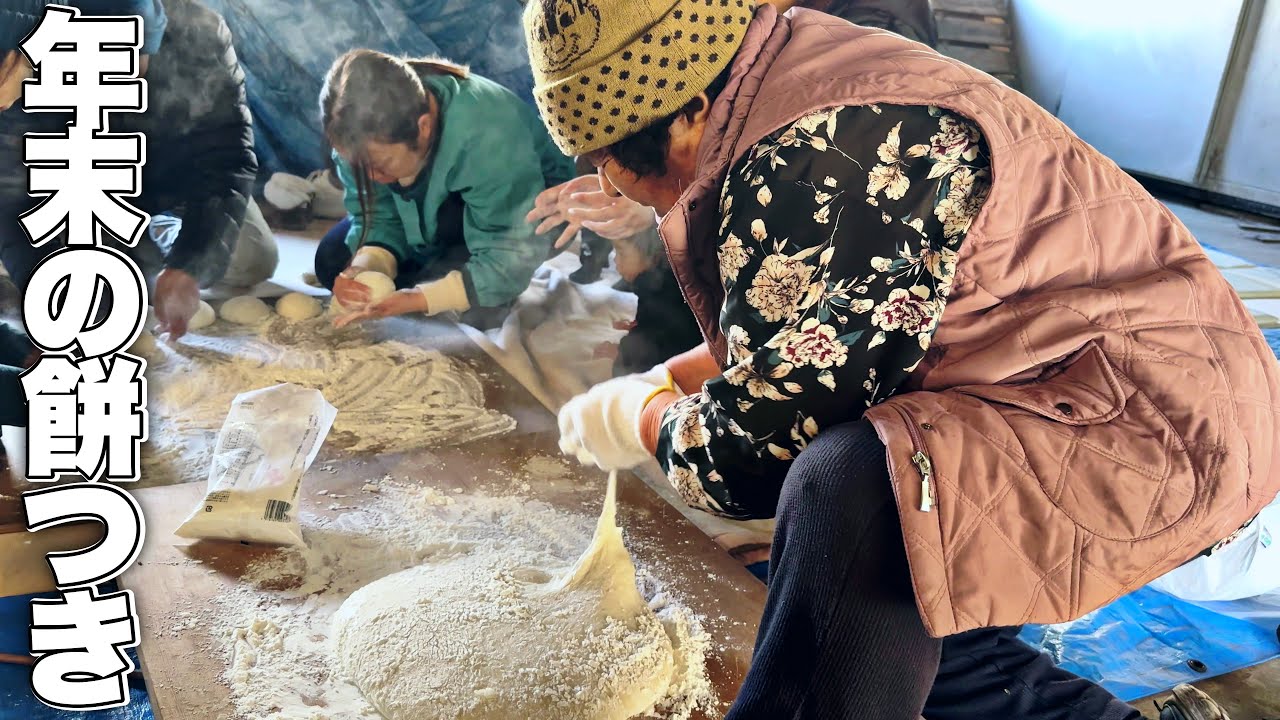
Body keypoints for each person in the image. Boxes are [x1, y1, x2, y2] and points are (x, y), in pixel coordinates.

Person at [525, 1, 1276, 719]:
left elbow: (752, 458)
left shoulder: (819, 155)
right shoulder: (779, 77)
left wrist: (642, 418)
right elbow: (810, 322)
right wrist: (670, 380)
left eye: (609, 164)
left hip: (1158, 430)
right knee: (865, 602)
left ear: (688, 110)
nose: (604, 186)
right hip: (1106, 391)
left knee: (855, 490)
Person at [0, 0, 278, 339]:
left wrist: (188, 265)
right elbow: (14, 194)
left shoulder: (202, 37)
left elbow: (228, 159)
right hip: (93, 196)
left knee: (252, 258)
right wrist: (45, 294)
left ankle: (163, 233)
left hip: (178, 188)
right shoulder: (37, 57)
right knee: (105, 291)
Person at [317, 49, 576, 331]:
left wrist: (420, 299)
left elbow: (510, 245)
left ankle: (473, 283)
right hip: (429, 212)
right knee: (332, 262)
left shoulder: (485, 133)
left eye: (381, 165)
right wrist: (368, 266)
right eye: (357, 167)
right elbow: (375, 215)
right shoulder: (354, 138)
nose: (372, 177)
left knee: (478, 310)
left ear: (424, 127)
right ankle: (440, 272)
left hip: (521, 214)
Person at [527, 171, 705, 377]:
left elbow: (660, 348)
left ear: (654, 257)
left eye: (620, 254)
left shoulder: (663, 295)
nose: (616, 263)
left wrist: (622, 352)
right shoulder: (659, 280)